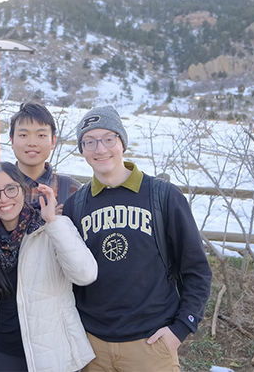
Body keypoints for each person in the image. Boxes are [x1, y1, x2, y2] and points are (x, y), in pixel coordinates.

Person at [61, 106, 212, 372]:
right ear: (82, 149)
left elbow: (197, 269)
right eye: (90, 141)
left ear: (122, 142)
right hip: (92, 347)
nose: (100, 149)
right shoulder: (76, 204)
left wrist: (182, 328)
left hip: (150, 346)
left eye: (109, 138)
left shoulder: (162, 196)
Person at [0, 162, 97, 372]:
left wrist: (54, 222)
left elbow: (85, 275)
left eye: (11, 189)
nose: (4, 198)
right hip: (1, 354)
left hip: (52, 355)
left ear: (23, 190)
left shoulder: (50, 229)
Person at [0, 102, 80, 223]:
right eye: (23, 135)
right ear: (12, 140)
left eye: (41, 135)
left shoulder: (71, 190)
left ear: (53, 141)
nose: (32, 142)